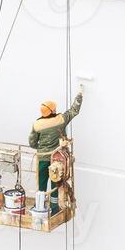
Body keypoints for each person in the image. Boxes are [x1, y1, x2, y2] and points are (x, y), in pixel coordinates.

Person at [27, 85, 83, 214]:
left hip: (42, 157)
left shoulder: (37, 124)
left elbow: (32, 142)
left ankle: (39, 207)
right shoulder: (60, 120)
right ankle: (54, 208)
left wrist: (40, 149)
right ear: (52, 111)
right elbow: (74, 110)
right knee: (55, 182)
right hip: (56, 159)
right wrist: (80, 95)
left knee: (41, 184)